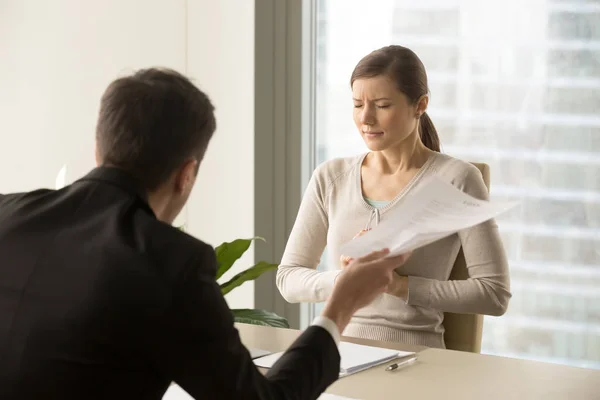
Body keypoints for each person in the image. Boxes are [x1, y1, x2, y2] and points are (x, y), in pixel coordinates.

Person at [0, 68, 411, 400]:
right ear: (187, 174)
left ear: (98, 150)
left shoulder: (7, 212)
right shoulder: (169, 261)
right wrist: (340, 307)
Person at [276, 45, 512, 348]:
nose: (366, 118)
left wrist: (397, 285)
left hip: (417, 360)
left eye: (382, 105)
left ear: (420, 105)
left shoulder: (457, 179)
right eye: (357, 104)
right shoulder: (330, 177)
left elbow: (494, 294)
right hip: (335, 354)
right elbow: (288, 279)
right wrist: (348, 281)